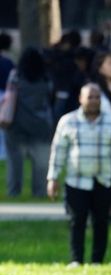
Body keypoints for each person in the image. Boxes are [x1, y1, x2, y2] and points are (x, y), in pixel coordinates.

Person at [46, 83, 111, 266]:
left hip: (104, 180)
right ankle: (76, 259)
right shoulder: (68, 121)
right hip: (76, 180)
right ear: (80, 99)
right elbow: (58, 151)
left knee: (101, 222)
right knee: (77, 221)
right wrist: (53, 177)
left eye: (97, 97)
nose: (93, 101)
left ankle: (97, 260)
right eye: (89, 97)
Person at [3, 47, 54, 198]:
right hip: (40, 125)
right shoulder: (46, 78)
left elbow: (9, 96)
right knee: (40, 162)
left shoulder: (16, 76)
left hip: (16, 124)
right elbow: (51, 99)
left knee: (15, 162)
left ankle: (14, 191)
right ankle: (40, 192)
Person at [0, 32, 14, 161]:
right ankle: (3, 154)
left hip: (4, 95)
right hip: (5, 96)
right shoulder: (8, 62)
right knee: (3, 127)